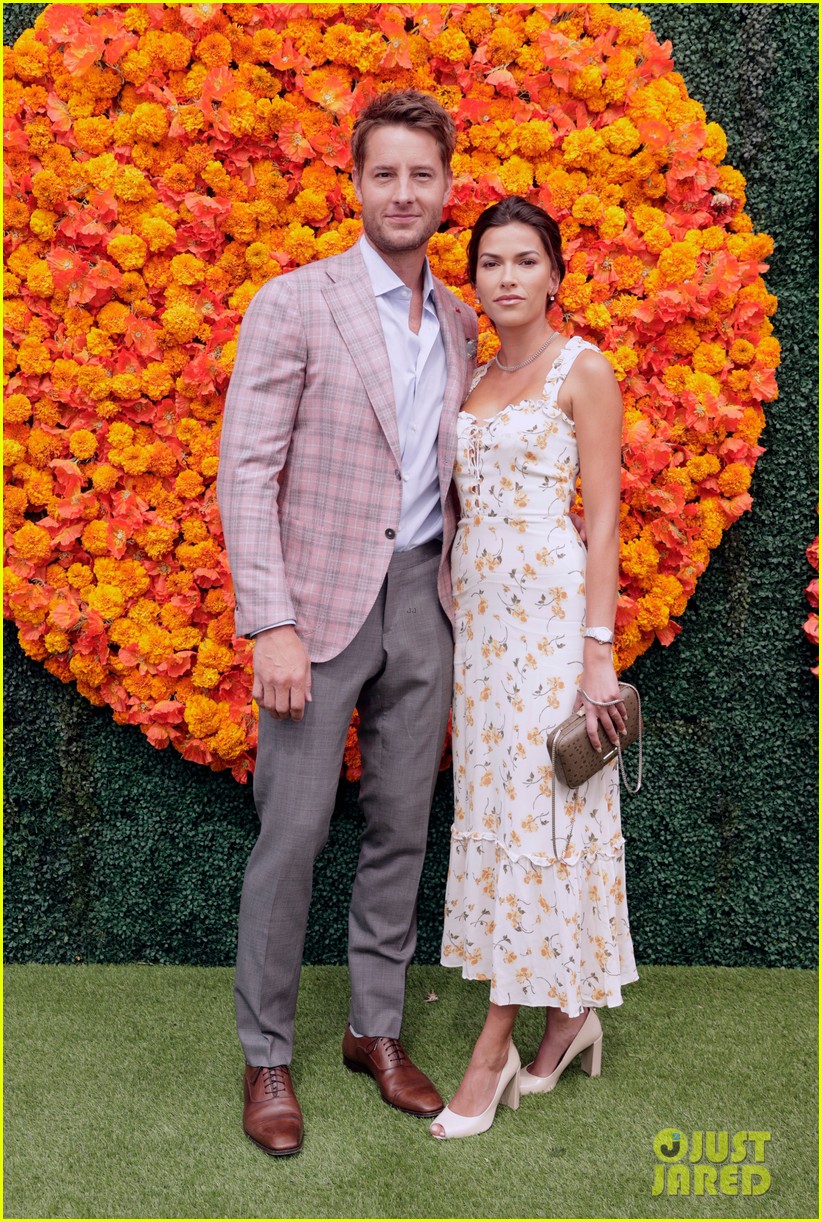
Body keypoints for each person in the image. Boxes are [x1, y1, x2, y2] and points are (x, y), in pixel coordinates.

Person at [216, 90, 478, 1157]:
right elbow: (247, 469)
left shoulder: (461, 319)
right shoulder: (295, 302)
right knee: (293, 835)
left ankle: (375, 1030)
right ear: (356, 182)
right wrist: (268, 620)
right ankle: (267, 1052)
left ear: (446, 188)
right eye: (386, 174)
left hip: (426, 600)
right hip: (315, 608)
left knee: (403, 828)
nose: (404, 192)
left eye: (423, 175)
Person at [431, 196, 638, 1140]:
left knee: (544, 812)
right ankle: (570, 1016)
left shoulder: (581, 370)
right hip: (479, 631)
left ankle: (495, 1046)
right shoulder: (470, 378)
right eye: (489, 265)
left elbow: (601, 520)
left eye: (524, 262)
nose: (505, 278)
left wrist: (596, 655)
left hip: (552, 628)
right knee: (504, 813)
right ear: (473, 280)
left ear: (556, 273)